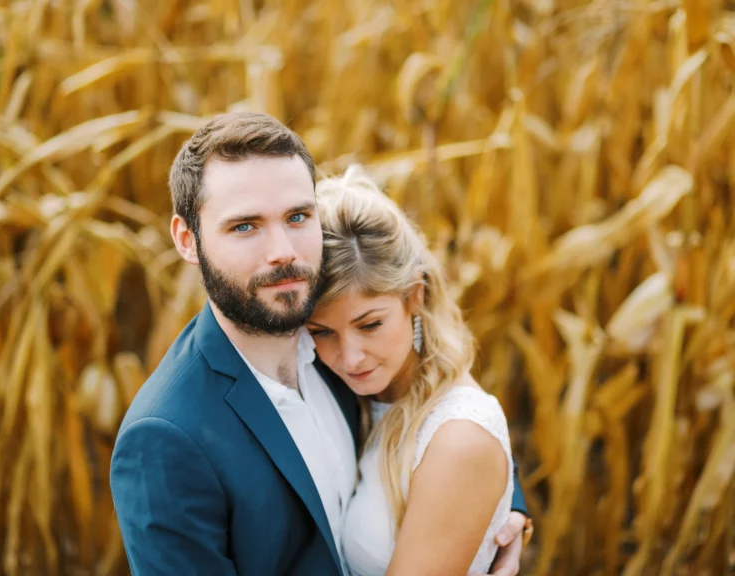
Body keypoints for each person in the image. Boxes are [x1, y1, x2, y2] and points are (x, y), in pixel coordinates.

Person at [109, 111, 532, 576]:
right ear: (188, 241)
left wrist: (503, 513)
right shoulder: (167, 439)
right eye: (244, 226)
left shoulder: (334, 351)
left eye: (296, 217)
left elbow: (450, 424)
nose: (282, 251)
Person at [307, 166, 525, 575]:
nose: (350, 358)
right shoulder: (362, 392)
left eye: (370, 325)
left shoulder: (458, 435)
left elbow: (473, 451)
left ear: (415, 296)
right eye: (323, 333)